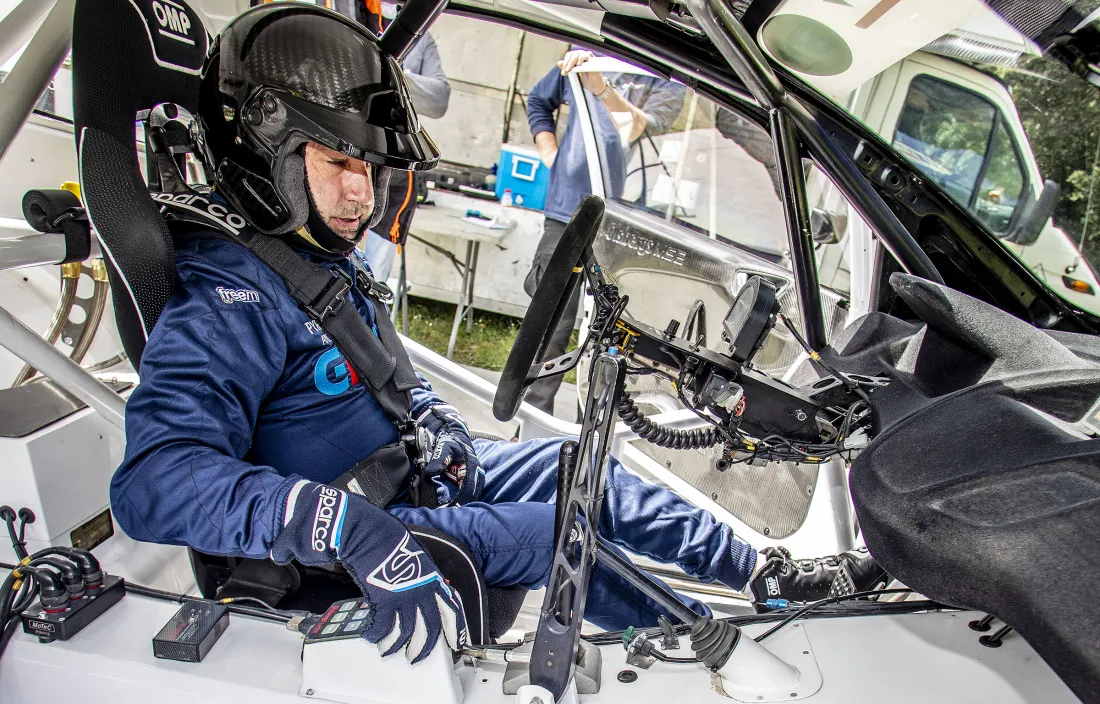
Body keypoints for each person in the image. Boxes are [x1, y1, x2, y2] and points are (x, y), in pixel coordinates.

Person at [110, 5, 883, 666]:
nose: (359, 194)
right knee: (557, 533)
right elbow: (151, 486)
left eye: (369, 167)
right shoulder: (229, 298)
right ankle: (717, 655)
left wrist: (443, 429)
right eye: (337, 161)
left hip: (420, 480)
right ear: (264, 150)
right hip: (356, 543)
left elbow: (392, 386)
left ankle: (765, 577)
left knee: (589, 474)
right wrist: (338, 524)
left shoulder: (315, 261)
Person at [524, 50, 685, 417]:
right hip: (567, 212)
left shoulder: (667, 76)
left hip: (625, 228)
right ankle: (530, 427)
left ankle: (589, 437)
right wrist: (550, 151)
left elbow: (636, 128)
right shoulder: (588, 53)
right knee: (549, 325)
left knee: (608, 336)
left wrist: (601, 87)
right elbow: (538, 99)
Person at [356, 1, 451, 281]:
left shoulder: (421, 33)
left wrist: (389, 73)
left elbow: (439, 99)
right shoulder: (349, 13)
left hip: (393, 172)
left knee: (374, 274)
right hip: (345, 154)